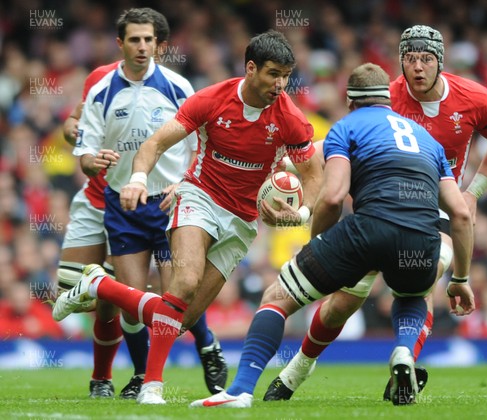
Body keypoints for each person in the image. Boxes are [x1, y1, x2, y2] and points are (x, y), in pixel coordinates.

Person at [53, 30, 323, 405]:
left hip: (242, 220)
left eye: (286, 76)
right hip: (200, 196)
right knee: (185, 282)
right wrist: (137, 178)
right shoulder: (211, 99)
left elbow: (313, 173)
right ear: (250, 68)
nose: (280, 84)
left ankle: (100, 286)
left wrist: (303, 213)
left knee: (177, 319)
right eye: (273, 74)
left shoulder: (290, 118)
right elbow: (154, 144)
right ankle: (152, 386)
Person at [190, 62, 474, 408]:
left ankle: (240, 391)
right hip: (422, 237)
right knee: (413, 294)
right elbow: (460, 214)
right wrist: (461, 277)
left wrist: (316, 245)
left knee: (278, 296)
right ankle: (403, 348)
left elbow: (334, 195)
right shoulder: (428, 140)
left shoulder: (347, 127)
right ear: (388, 99)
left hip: (369, 228)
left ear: (351, 101)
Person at [264, 24, 487, 401]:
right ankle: (297, 370)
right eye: (410, 59)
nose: (417, 68)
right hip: (379, 207)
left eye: (426, 59)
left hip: (437, 206)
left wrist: (473, 192)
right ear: (400, 61)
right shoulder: (386, 96)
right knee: (345, 303)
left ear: (440, 63)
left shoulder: (474, 98)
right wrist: (291, 160)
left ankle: (403, 363)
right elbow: (343, 135)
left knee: (426, 278)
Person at [56, 8, 227, 399]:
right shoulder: (100, 91)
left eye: (149, 39)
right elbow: (83, 151)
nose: (142, 46)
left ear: (159, 44)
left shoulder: (178, 86)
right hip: (122, 205)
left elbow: (204, 141)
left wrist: (187, 183)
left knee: (175, 302)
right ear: (120, 43)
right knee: (135, 306)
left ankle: (207, 346)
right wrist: (91, 161)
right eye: (134, 39)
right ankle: (142, 377)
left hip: (171, 203)